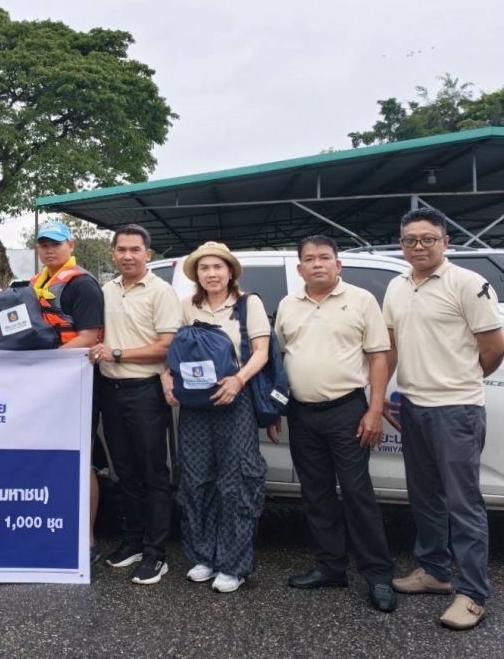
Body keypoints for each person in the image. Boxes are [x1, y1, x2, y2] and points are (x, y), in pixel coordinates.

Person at [382, 208, 504, 630]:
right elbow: (392, 346)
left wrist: (460, 380)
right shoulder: (396, 286)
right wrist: (379, 395)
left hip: (456, 410)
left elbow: (493, 346)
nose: (418, 246)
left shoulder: (468, 284)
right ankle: (433, 571)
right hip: (413, 406)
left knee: (463, 503)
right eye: (410, 239)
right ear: (401, 244)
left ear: (446, 242)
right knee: (425, 497)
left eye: (427, 239)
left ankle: (472, 593)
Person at [273, 235, 396, 613]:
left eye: (324, 257)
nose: (317, 264)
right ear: (299, 269)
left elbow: (378, 358)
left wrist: (374, 410)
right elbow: (280, 359)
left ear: (337, 264)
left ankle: (378, 576)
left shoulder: (360, 300)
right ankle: (330, 568)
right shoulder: (287, 305)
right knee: (316, 493)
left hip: (348, 411)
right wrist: (274, 409)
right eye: (309, 259)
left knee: (358, 494)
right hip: (301, 412)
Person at [161, 241, 269, 593]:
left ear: (230, 271)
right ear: (196, 274)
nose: (211, 273)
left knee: (235, 483)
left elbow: (261, 352)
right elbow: (172, 352)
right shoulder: (186, 307)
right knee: (195, 480)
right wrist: (166, 380)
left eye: (218, 267)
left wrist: (238, 380)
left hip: (233, 401)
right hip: (194, 406)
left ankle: (234, 564)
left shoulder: (247, 304)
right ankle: (204, 556)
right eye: (204, 268)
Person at [89, 224, 181, 584]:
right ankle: (133, 542)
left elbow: (167, 346)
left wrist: (117, 352)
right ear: (113, 253)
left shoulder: (162, 292)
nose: (127, 255)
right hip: (111, 390)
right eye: (121, 249)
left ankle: (157, 552)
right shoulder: (106, 290)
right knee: (124, 473)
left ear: (148, 254)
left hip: (146, 391)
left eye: (135, 250)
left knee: (154, 473)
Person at [31, 221, 106, 563]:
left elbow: (90, 336)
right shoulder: (36, 284)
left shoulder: (83, 284)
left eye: (56, 244)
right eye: (43, 244)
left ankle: (87, 540)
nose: (49, 249)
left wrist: (47, 367)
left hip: (75, 382)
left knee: (82, 460)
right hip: (45, 386)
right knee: (46, 459)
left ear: (70, 244)